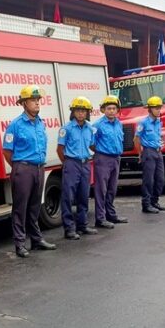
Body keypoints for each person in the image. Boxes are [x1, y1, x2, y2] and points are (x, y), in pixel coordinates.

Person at [3, 85, 57, 258]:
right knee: (20, 208)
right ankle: (19, 244)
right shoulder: (15, 125)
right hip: (23, 168)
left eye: (38, 100)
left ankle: (36, 239)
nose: (37, 103)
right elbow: (7, 151)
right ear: (24, 103)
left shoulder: (40, 122)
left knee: (35, 206)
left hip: (39, 168)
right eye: (33, 100)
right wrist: (20, 167)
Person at [57, 96, 97, 240]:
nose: (81, 113)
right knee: (68, 196)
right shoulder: (66, 128)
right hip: (72, 163)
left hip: (85, 163)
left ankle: (83, 225)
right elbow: (60, 149)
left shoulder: (90, 129)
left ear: (87, 113)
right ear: (73, 112)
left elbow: (92, 145)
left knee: (84, 195)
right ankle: (69, 229)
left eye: (84, 111)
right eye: (78, 110)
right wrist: (67, 163)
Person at [92, 95, 129, 228]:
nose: (112, 111)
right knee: (101, 189)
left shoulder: (119, 123)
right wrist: (102, 151)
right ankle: (100, 218)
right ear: (103, 110)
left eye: (114, 108)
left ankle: (111, 215)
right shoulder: (98, 125)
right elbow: (91, 143)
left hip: (116, 159)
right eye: (109, 108)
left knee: (112, 189)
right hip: (103, 158)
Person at [134, 96, 165, 214]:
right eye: (156, 108)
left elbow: (159, 135)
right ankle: (146, 204)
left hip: (158, 151)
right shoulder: (143, 122)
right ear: (149, 109)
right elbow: (136, 139)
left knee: (160, 179)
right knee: (148, 180)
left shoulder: (158, 121)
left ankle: (155, 201)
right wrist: (140, 153)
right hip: (148, 152)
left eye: (159, 108)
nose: (158, 110)